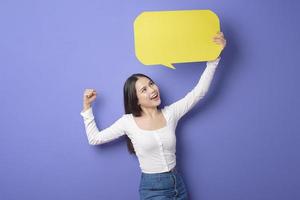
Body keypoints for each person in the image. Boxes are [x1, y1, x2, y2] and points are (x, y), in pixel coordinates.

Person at [80, 32, 226, 200]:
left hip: (178, 184)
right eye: (144, 89)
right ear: (136, 99)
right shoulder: (128, 122)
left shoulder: (170, 114)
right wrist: (87, 107)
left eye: (151, 84)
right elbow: (95, 138)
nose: (152, 90)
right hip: (152, 189)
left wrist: (214, 57)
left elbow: (198, 93)